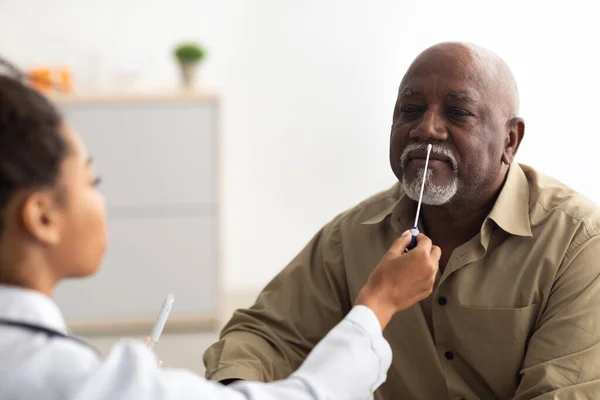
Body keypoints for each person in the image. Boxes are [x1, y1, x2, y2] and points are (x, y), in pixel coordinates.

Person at [0, 60, 444, 399]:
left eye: (457, 112)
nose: (428, 129)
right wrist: (379, 303)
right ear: (41, 217)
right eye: (91, 180)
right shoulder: (67, 378)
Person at [203, 42, 600, 399]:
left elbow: (564, 391)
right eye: (410, 110)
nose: (426, 128)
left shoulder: (577, 242)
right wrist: (237, 390)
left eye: (458, 113)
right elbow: (267, 337)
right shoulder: (354, 234)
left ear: (510, 141)